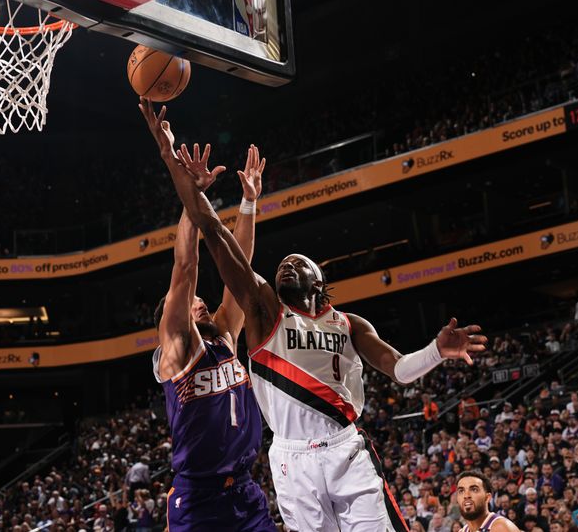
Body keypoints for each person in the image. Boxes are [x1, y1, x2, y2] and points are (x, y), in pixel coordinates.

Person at [140, 100, 488, 531]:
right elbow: (207, 257)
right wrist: (180, 173)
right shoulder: (254, 319)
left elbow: (397, 368)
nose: (287, 264)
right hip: (253, 472)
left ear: (318, 280)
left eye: (298, 262)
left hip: (282, 473)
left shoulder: (340, 324)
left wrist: (435, 350)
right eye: (283, 262)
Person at [148, 127, 275, 531]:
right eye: (192, 302)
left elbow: (240, 269)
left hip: (245, 491)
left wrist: (249, 203)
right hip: (198, 499)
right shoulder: (178, 348)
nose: (200, 301)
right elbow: (186, 266)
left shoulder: (224, 336)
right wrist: (191, 199)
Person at [455, 471, 520, 532]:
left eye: (474, 490)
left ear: (487, 497)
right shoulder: (462, 531)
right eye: (461, 491)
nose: (466, 495)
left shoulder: (501, 527)